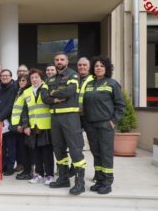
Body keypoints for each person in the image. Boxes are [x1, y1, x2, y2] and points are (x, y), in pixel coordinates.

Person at [41, 52, 87, 195]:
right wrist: (55, 98)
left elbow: (69, 92)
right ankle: (63, 178)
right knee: (58, 148)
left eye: (62, 59)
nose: (59, 61)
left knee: (74, 149)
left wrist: (52, 93)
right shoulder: (49, 79)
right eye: (57, 60)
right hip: (55, 118)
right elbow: (44, 97)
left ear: (67, 61)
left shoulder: (73, 75)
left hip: (70, 117)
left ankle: (80, 183)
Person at [82, 56, 125, 195]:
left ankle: (107, 182)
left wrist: (113, 122)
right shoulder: (89, 84)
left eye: (101, 66)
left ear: (106, 68)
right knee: (96, 153)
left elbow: (120, 106)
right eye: (96, 66)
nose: (98, 68)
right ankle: (99, 180)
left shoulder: (112, 83)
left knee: (106, 154)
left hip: (105, 125)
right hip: (91, 125)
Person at [14, 69, 54, 185]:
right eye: (32, 78)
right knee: (36, 152)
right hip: (33, 126)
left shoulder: (47, 88)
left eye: (36, 77)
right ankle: (38, 174)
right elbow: (24, 111)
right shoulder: (27, 92)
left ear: (41, 78)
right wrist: (25, 125)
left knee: (47, 152)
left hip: (46, 126)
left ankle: (49, 175)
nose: (34, 80)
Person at [0, 69, 18, 176]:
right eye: (3, 76)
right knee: (1, 146)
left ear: (11, 77)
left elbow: (11, 105)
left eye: (7, 75)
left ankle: (10, 167)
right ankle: (2, 166)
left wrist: (1, 118)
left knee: (10, 146)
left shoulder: (14, 88)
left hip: (9, 121)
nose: (4, 77)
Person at [11, 73, 32, 179]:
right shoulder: (19, 91)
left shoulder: (27, 92)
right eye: (19, 80)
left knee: (27, 150)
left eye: (23, 80)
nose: (21, 82)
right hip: (18, 125)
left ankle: (28, 171)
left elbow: (26, 110)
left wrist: (22, 125)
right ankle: (26, 170)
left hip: (24, 125)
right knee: (22, 149)